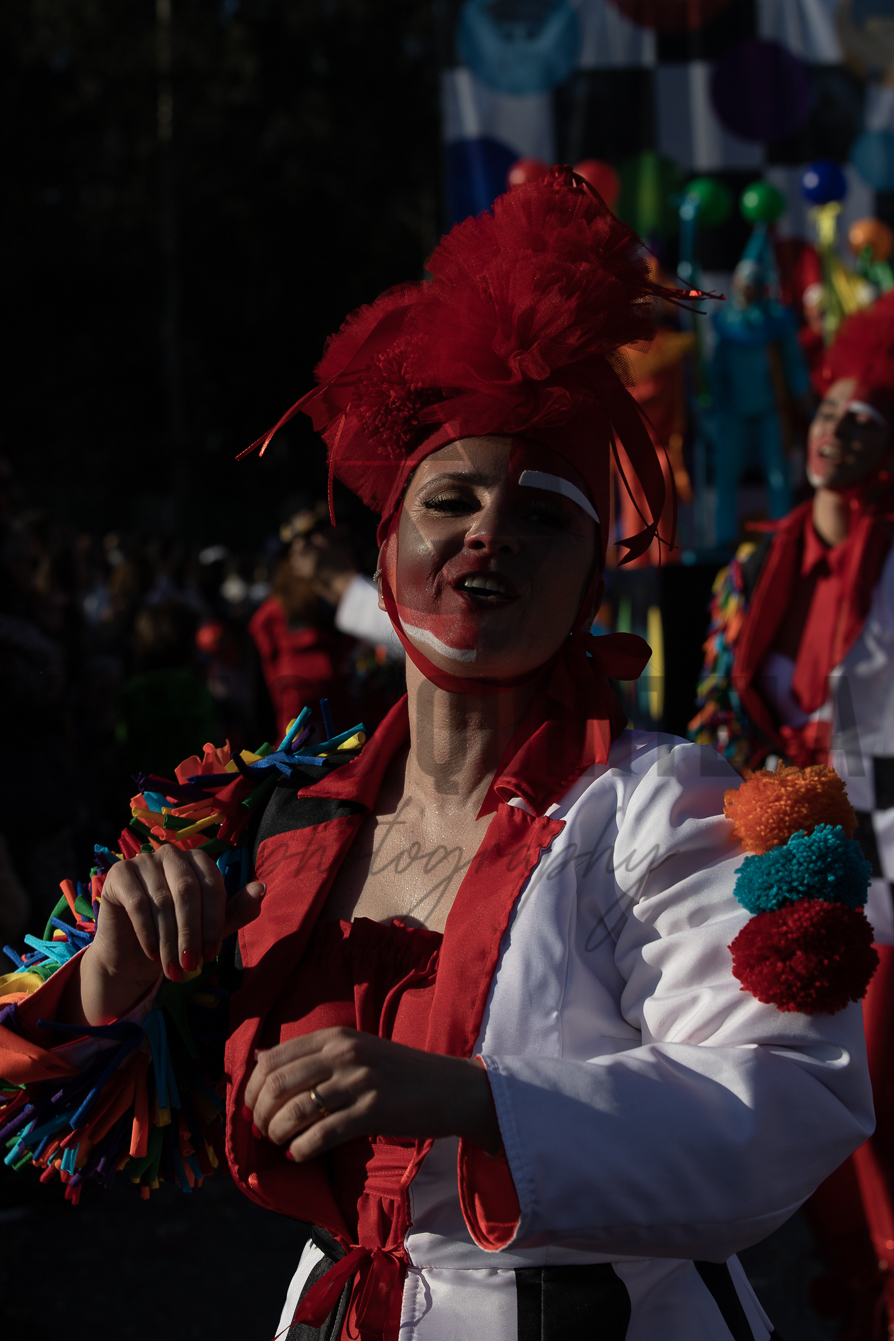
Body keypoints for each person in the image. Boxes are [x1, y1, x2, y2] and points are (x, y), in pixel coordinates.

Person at [0, 169, 876, 1341]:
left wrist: (481, 1099)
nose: (488, 533)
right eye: (450, 500)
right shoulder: (273, 818)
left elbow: (786, 1104)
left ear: (591, 580)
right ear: (388, 546)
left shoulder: (668, 809)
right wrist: (118, 977)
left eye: (543, 515)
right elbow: (61, 1107)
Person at [691, 290, 894, 1336]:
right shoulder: (753, 567)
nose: (835, 431)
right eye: (829, 410)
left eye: (865, 418)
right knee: (790, 1093)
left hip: (883, 869)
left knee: (872, 1087)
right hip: (774, 863)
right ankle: (856, 1284)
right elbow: (716, 711)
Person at [710, 256, 812, 549]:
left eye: (752, 285)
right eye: (743, 285)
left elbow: (792, 364)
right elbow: (716, 371)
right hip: (734, 413)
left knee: (778, 475)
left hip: (770, 410)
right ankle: (724, 535)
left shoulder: (775, 323)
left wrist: (804, 398)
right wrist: (711, 406)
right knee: (726, 474)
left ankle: (779, 534)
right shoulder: (725, 324)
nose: (747, 291)